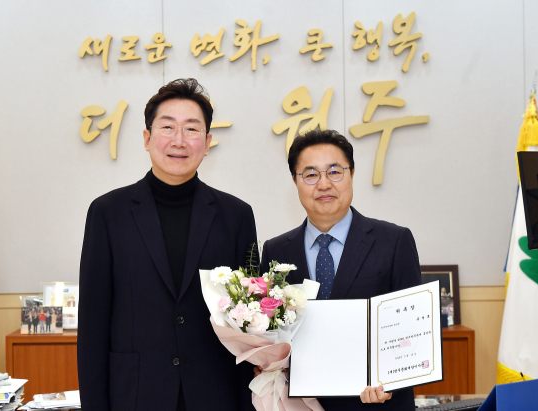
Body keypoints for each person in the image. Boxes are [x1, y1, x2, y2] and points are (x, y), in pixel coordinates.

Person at [78, 78, 257, 411]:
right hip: (134, 397)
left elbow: (249, 324)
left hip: (215, 396)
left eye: (192, 129)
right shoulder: (108, 213)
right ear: (147, 139)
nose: (179, 140)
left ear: (207, 142)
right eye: (168, 127)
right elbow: (92, 327)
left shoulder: (236, 216)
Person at [260, 129, 421, 411]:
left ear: (352, 174)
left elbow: (412, 331)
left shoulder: (394, 242)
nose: (324, 184)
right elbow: (269, 334)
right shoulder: (276, 251)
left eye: (334, 172)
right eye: (311, 174)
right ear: (295, 181)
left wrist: (391, 383)